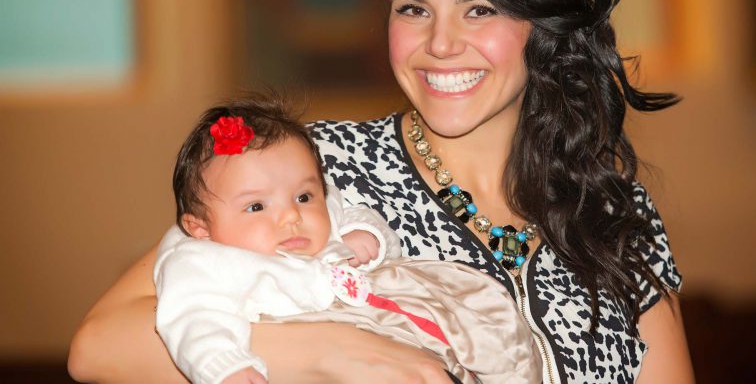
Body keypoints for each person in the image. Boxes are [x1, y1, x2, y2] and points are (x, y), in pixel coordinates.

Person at [68, 0, 694, 383]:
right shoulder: (311, 172)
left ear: (543, 26)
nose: (440, 44)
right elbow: (98, 345)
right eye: (414, 9)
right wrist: (326, 350)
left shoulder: (613, 213)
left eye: (479, 10)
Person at [155, 93, 540, 384]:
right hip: (318, 353)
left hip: (396, 319)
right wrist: (226, 367)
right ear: (199, 228)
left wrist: (367, 234)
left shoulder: (318, 215)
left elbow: (344, 210)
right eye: (256, 207)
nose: (291, 215)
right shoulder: (203, 263)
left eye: (303, 196)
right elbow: (190, 317)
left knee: (480, 318)